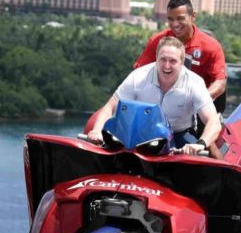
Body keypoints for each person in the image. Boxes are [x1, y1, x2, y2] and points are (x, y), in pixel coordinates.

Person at [86, 37, 221, 155]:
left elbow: (213, 121)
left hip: (179, 134)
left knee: (195, 162)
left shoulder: (195, 83)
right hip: (140, 133)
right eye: (163, 59)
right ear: (156, 58)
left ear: (181, 62)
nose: (166, 66)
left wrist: (200, 144)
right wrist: (97, 130)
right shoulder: (138, 77)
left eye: (173, 61)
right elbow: (110, 107)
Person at [135, 0, 227, 113]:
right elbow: (138, 75)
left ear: (193, 16)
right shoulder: (157, 41)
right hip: (160, 108)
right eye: (170, 19)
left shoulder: (211, 47)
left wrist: (198, 100)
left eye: (180, 18)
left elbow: (220, 83)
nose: (175, 24)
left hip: (197, 110)